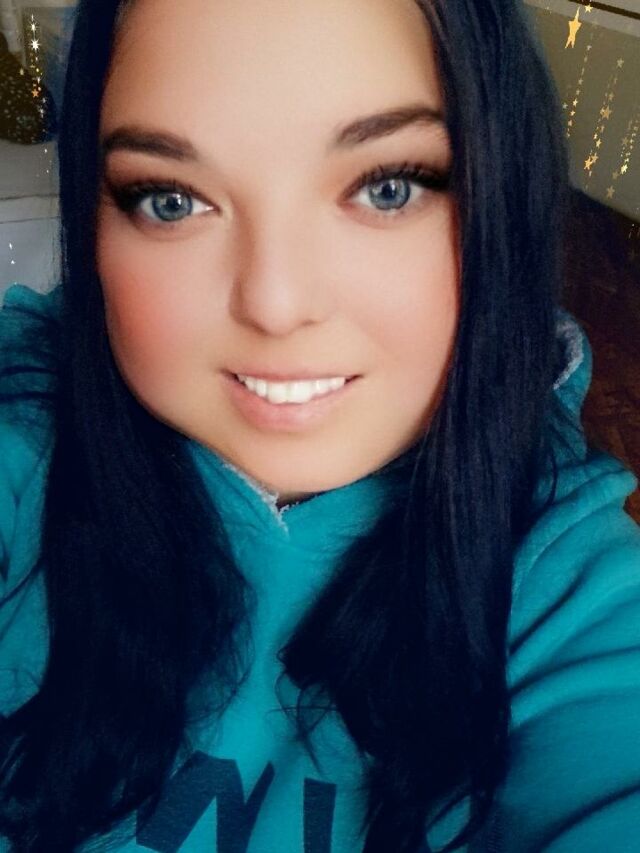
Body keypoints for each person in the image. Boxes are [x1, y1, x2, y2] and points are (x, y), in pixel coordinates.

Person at [0, 0, 639, 850]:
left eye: (386, 187)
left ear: (500, 192)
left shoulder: (563, 580)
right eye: (171, 200)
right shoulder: (26, 434)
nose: (274, 302)